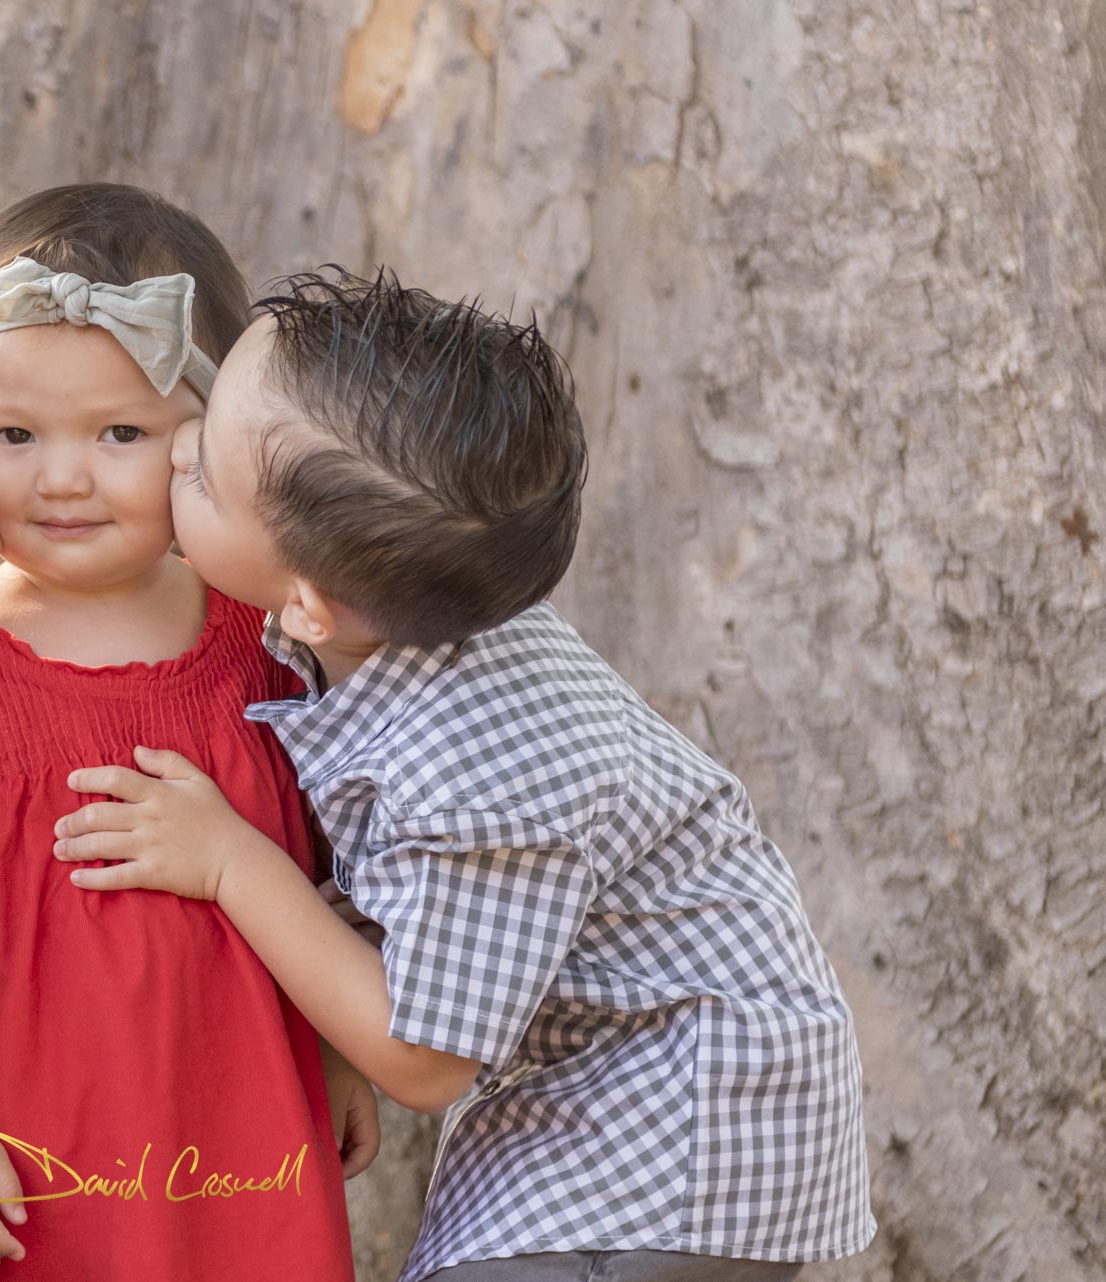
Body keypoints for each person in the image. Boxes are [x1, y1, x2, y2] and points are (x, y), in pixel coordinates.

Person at [53, 270, 877, 1280]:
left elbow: (427, 1059)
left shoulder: (476, 772)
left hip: (669, 1147)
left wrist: (229, 861)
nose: (177, 444)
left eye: (205, 478)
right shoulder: (406, 616)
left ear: (309, 604)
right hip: (614, 1107)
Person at [0, 185, 372, 1282]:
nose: (62, 477)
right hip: (31, 1162)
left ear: (210, 440)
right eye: (13, 434)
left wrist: (333, 1049)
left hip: (245, 1131)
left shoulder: (267, 642)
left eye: (122, 433)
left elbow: (316, 874)